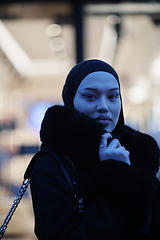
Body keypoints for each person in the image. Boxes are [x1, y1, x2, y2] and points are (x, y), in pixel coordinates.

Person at [25, 59, 160, 240]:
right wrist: (115, 174)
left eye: (113, 96)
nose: (104, 106)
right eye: (90, 96)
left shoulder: (139, 155)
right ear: (70, 100)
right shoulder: (50, 165)